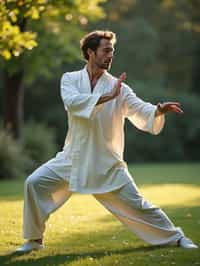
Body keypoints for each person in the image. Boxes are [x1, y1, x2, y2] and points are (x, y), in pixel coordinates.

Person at [16, 30, 198, 252]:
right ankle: (34, 241)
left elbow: (140, 109)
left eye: (112, 51)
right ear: (90, 52)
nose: (111, 55)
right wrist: (108, 97)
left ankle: (177, 238)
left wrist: (159, 110)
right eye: (106, 50)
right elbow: (73, 103)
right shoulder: (70, 79)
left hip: (106, 164)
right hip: (73, 158)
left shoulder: (119, 88)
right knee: (35, 183)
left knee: (139, 206)